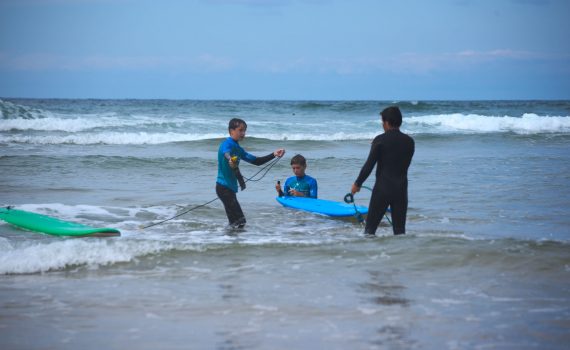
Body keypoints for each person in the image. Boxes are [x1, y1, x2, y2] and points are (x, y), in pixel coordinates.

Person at [351, 106, 415, 236]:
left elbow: (369, 165)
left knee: (370, 231)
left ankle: (373, 256)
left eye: (382, 122)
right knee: (399, 232)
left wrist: (357, 184)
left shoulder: (380, 140)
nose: (382, 125)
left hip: (382, 190)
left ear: (386, 122)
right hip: (401, 190)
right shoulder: (410, 142)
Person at [217, 118, 285, 229]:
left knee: (235, 222)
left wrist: (274, 154)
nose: (243, 133)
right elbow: (226, 152)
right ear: (231, 131)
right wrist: (230, 159)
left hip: (229, 188)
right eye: (240, 130)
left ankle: (230, 241)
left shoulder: (239, 149)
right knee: (240, 221)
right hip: (223, 187)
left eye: (244, 131)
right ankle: (231, 241)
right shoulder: (227, 144)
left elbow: (257, 161)